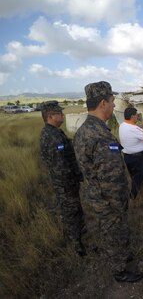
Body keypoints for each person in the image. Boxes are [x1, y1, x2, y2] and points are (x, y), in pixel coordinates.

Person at [73, 81, 143, 283]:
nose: (114, 106)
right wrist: (115, 200)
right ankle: (120, 270)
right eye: (112, 101)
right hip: (108, 199)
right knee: (113, 232)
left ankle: (122, 255)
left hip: (105, 196)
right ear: (103, 103)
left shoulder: (90, 129)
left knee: (117, 231)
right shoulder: (95, 134)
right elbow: (106, 174)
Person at [39, 101, 86, 256]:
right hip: (65, 184)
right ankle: (77, 246)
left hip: (66, 183)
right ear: (51, 116)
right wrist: (73, 179)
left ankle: (80, 235)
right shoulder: (52, 136)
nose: (63, 115)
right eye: (59, 113)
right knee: (70, 212)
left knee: (74, 210)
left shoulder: (54, 132)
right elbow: (61, 167)